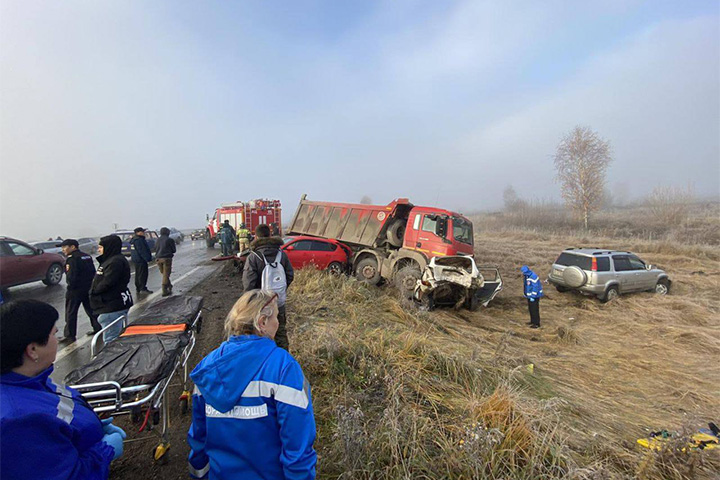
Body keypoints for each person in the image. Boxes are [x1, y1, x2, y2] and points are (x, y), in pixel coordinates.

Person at [187, 290, 316, 480]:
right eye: (276, 318)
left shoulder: (208, 368)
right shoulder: (284, 369)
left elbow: (198, 441)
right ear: (262, 323)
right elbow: (297, 447)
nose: (278, 324)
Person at [0, 300, 126, 480]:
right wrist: (104, 451)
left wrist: (92, 428)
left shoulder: (34, 380)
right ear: (33, 350)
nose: (58, 340)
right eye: (54, 333)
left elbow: (59, 414)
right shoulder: (17, 421)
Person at [242, 224, 294, 350]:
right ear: (270, 235)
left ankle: (266, 363)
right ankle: (283, 363)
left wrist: (249, 303)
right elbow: (290, 275)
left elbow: (249, 284)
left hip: (260, 304)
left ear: (256, 236)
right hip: (278, 302)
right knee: (280, 332)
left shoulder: (254, 257)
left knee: (260, 334)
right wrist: (279, 291)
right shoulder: (282, 254)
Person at [89, 235, 133, 342]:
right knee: (116, 335)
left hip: (112, 304)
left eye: (101, 247)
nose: (98, 250)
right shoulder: (110, 260)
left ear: (109, 247)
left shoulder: (115, 262)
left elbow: (108, 282)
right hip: (112, 303)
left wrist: (94, 291)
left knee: (111, 340)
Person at [58, 239, 102, 343]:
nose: (63, 249)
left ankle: (70, 335)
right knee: (91, 309)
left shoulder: (72, 259)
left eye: (65, 247)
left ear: (73, 247)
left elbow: (71, 277)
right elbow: (92, 272)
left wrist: (70, 287)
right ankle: (98, 327)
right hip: (88, 287)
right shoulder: (86, 256)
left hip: (75, 290)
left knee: (71, 312)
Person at [129, 227, 153, 295]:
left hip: (136, 259)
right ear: (138, 232)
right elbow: (142, 251)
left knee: (138, 274)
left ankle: (139, 288)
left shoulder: (134, 240)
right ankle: (142, 288)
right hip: (141, 260)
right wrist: (148, 259)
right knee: (142, 274)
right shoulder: (139, 240)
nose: (144, 233)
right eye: (142, 231)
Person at [155, 227, 176, 297]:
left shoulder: (157, 240)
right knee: (166, 274)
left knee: (164, 273)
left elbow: (155, 248)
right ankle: (164, 289)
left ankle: (169, 285)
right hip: (167, 258)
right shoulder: (169, 240)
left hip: (158, 258)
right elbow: (174, 250)